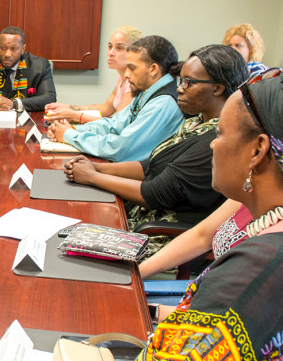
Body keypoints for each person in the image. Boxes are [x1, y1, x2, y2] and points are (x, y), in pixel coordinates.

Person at [130, 71, 283, 361]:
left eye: (221, 133)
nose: (212, 144)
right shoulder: (260, 207)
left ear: (258, 151)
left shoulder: (257, 265)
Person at [63, 45, 248, 238]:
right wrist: (96, 168)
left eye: (188, 83)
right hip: (138, 214)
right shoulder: (195, 123)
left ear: (218, 88)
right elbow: (152, 165)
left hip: (156, 232)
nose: (179, 88)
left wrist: (92, 177)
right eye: (181, 81)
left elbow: (154, 193)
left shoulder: (216, 140)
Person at [48, 35, 184, 162]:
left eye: (132, 68)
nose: (126, 74)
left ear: (153, 69)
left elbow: (120, 148)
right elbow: (114, 125)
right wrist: (72, 129)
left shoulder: (161, 105)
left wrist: (70, 135)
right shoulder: (147, 92)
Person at [44, 26, 142, 123]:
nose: (110, 53)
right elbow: (105, 108)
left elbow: (116, 124)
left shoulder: (133, 81)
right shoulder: (121, 77)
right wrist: (69, 107)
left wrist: (73, 115)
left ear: (135, 52)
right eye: (110, 46)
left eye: (119, 48)